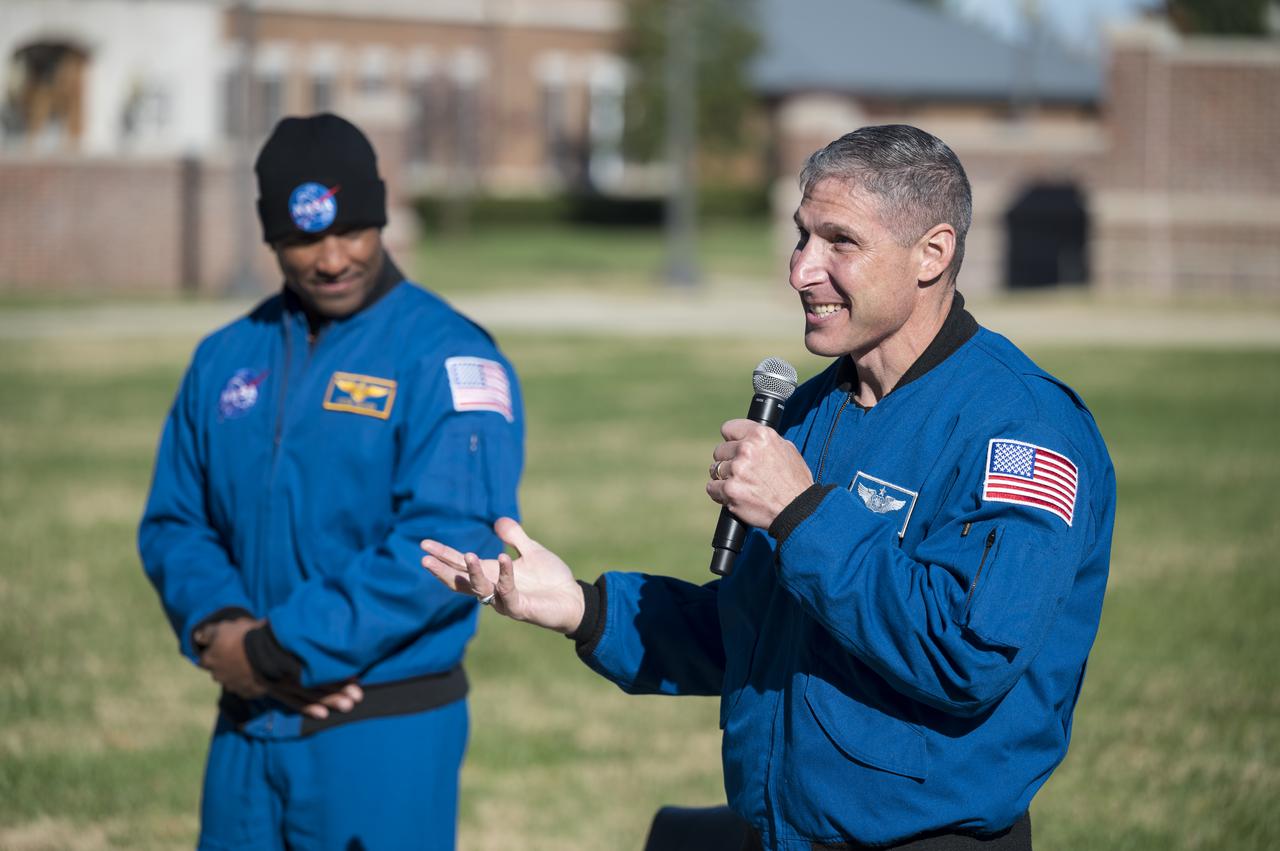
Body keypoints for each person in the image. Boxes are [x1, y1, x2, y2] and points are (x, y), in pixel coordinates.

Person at [421, 125, 1114, 850]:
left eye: (839, 241)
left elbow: (967, 652)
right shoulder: (814, 410)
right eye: (801, 236)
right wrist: (584, 608)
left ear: (931, 254)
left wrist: (803, 514)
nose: (801, 270)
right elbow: (756, 632)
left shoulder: (1021, 429)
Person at [139, 112, 524, 850]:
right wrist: (221, 629)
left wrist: (281, 647)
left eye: (351, 230)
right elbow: (174, 520)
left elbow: (445, 539)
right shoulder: (225, 357)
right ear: (271, 238)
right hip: (247, 721)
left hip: (382, 727)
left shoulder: (449, 358)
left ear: (380, 217)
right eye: (303, 238)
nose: (331, 258)